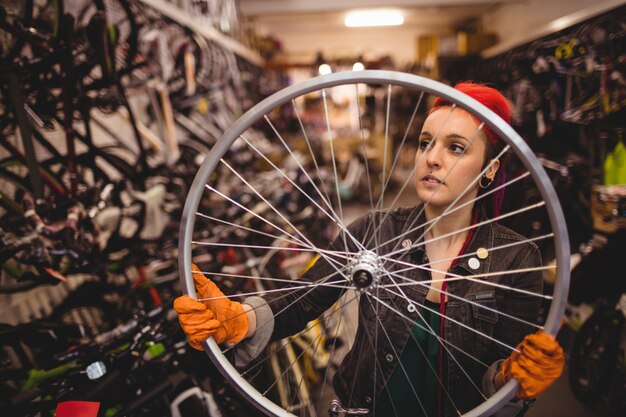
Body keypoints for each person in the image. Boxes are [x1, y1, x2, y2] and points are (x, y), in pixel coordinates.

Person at [174, 81, 565, 417]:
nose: (431, 158)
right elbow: (305, 300)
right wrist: (241, 318)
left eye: (456, 148)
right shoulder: (375, 230)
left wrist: (514, 376)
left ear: (490, 168)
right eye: (425, 142)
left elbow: (501, 378)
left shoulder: (516, 258)